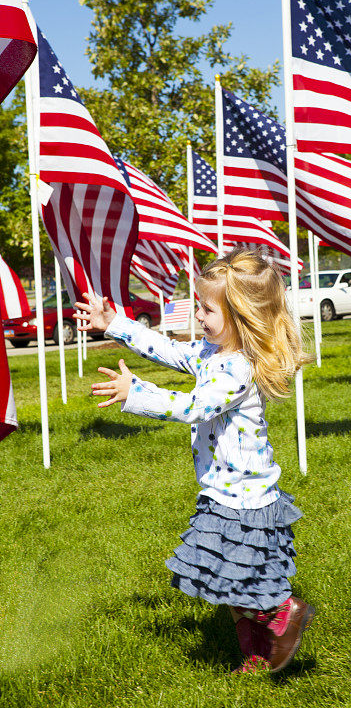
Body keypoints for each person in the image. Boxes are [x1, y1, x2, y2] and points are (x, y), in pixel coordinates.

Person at [74, 248, 315, 674]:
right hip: (228, 488)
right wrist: (115, 324)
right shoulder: (212, 354)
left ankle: (282, 611)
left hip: (241, 495)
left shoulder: (235, 369)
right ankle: (259, 656)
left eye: (207, 309)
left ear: (240, 316)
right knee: (228, 578)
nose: (198, 316)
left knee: (233, 576)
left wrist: (137, 394)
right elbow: (169, 350)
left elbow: (195, 406)